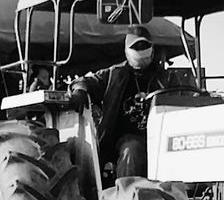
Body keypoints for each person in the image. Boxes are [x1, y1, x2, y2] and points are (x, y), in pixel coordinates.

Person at [69, 25, 185, 181]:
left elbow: (184, 97)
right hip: (124, 139)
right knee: (132, 150)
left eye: (145, 45)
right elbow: (84, 81)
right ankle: (128, 197)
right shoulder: (114, 75)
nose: (141, 49)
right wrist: (79, 90)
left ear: (152, 48)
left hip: (163, 137)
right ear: (127, 49)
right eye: (136, 46)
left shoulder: (168, 78)